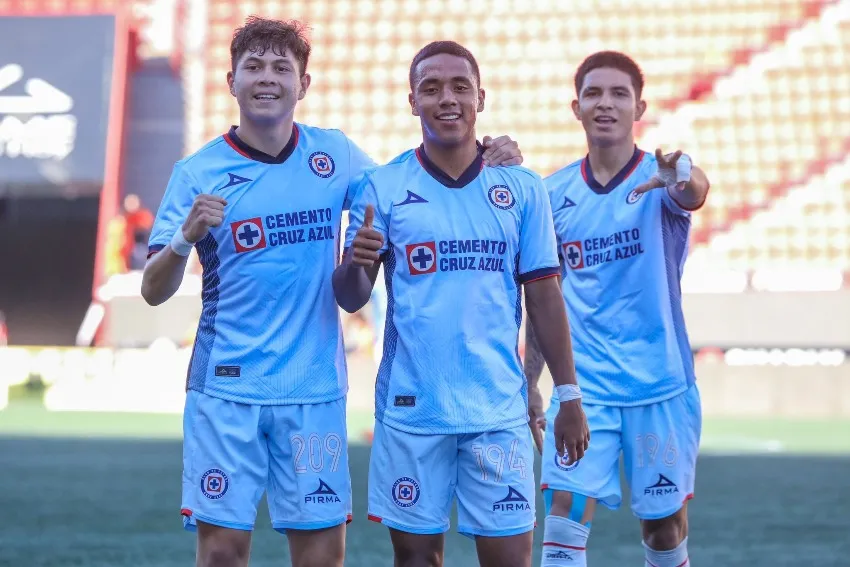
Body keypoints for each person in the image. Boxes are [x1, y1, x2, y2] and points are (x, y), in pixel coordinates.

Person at [140, 16, 525, 567]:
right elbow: (154, 290)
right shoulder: (197, 172)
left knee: (321, 557)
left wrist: (486, 154)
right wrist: (183, 237)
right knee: (222, 553)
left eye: (281, 67)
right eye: (253, 67)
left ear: (304, 83)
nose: (267, 78)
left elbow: (412, 186)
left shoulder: (336, 157)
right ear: (231, 82)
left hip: (314, 390)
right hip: (226, 390)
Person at [332, 41, 590, 567]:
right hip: (412, 410)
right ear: (412, 102)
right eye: (430, 88)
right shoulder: (383, 187)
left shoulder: (520, 188)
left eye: (459, 87)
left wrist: (567, 394)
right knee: (417, 561)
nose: (446, 99)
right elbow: (349, 294)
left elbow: (543, 295)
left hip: (497, 410)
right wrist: (356, 264)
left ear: (481, 98)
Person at [524, 51, 711, 567]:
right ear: (576, 107)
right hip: (585, 393)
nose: (605, 103)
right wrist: (532, 385)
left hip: (660, 386)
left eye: (618, 94)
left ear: (639, 107)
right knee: (563, 512)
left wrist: (685, 173)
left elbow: (693, 193)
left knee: (663, 527)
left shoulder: (660, 178)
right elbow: (542, 299)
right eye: (594, 94)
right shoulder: (551, 195)